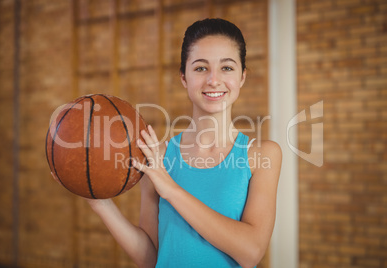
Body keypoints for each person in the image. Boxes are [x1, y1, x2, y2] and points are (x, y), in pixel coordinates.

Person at [54, 18, 281, 268]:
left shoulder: (261, 155)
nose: (214, 80)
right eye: (200, 68)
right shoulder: (156, 155)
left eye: (227, 68)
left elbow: (251, 253)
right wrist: (101, 204)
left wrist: (171, 190)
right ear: (184, 77)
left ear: (242, 77)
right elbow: (151, 258)